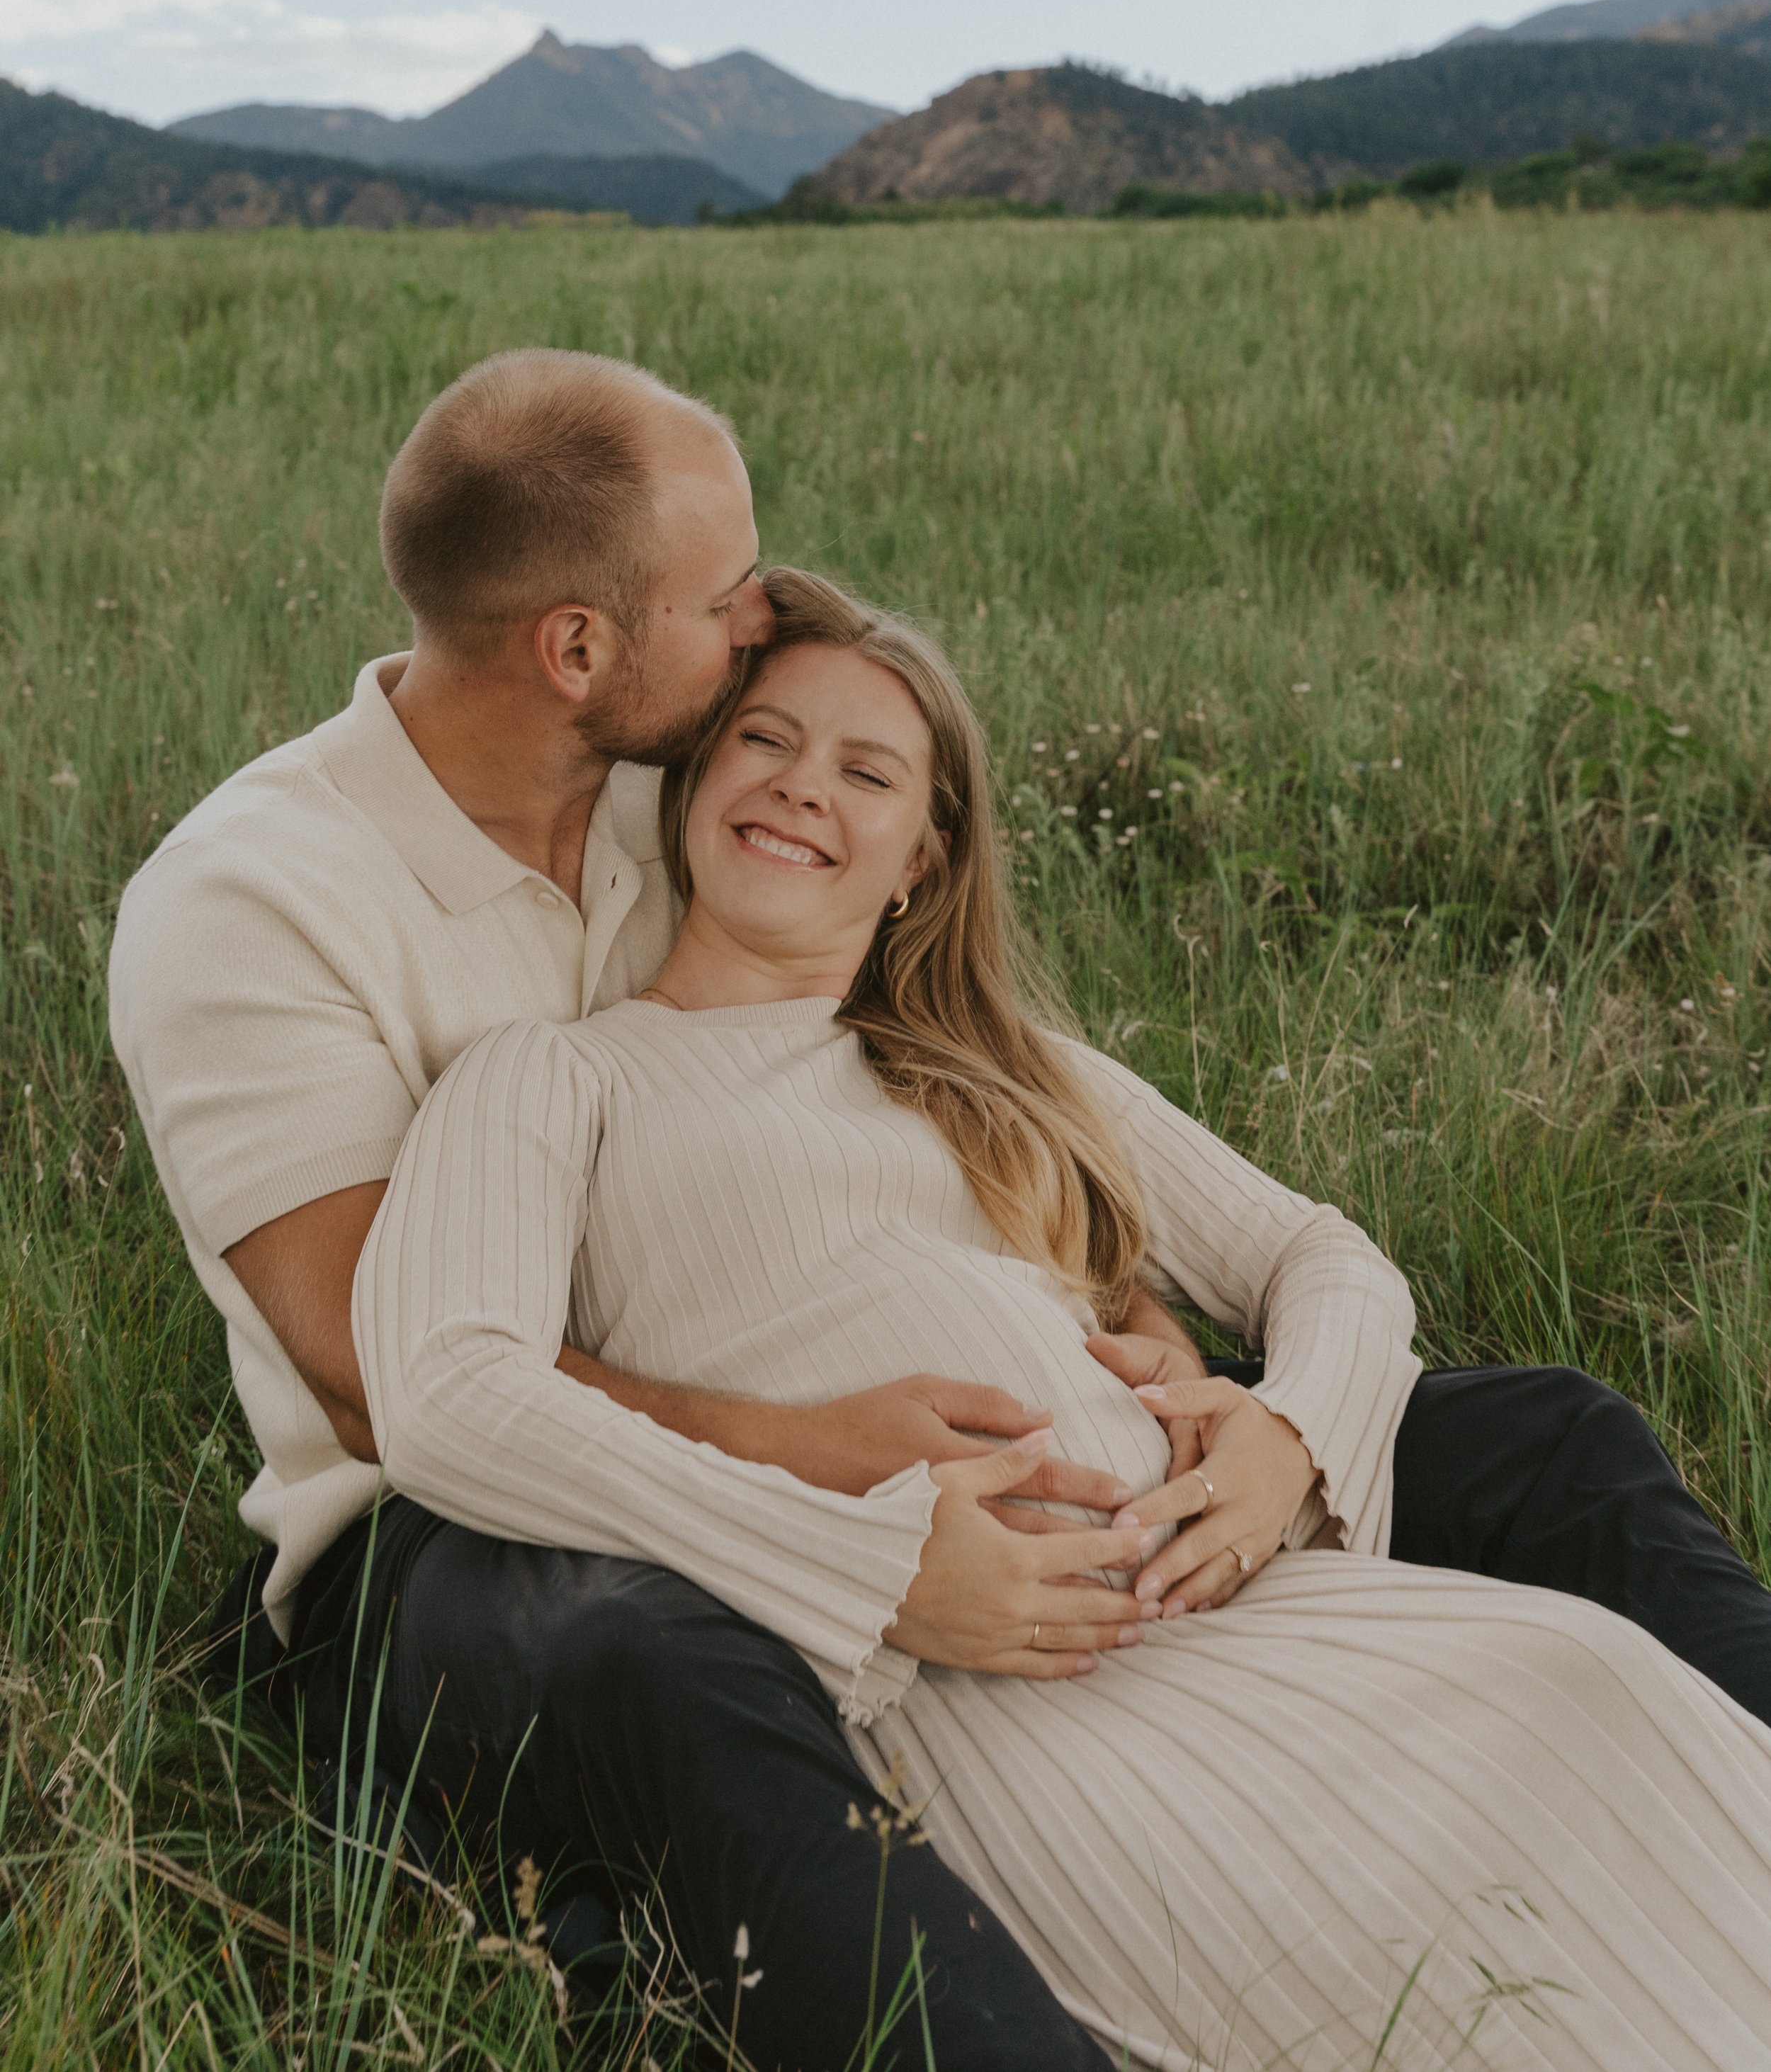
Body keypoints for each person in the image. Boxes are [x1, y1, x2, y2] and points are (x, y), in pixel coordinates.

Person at [108, 347, 1771, 2070]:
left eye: (854, 773)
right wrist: (843, 1484)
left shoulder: (673, 779)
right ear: (577, 647)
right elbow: (401, 1380)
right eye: (725, 609)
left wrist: (1219, 1396)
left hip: (1050, 1487)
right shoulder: (262, 904)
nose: (755, 629)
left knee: (1549, 1446)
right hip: (460, 1538)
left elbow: (1020, 1135)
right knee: (658, 1659)